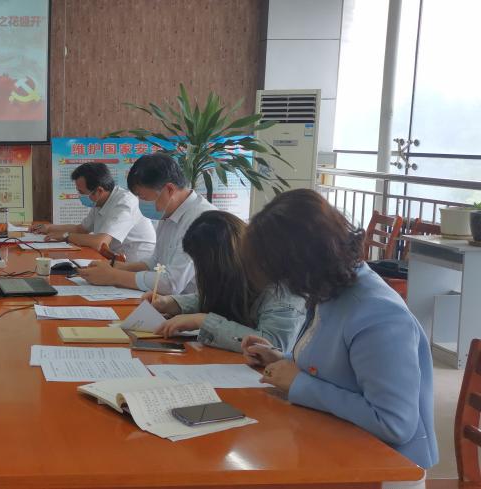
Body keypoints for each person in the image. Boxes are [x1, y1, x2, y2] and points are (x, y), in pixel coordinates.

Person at [241, 189, 437, 484]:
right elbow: (340, 369)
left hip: (383, 470)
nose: (284, 286)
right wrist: (281, 359)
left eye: (283, 275)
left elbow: (393, 423)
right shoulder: (332, 288)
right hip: (335, 448)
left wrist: (299, 383)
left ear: (304, 263)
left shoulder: (377, 314)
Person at [143, 211, 305, 352]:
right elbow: (222, 295)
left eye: (203, 267)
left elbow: (273, 346)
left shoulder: (283, 287)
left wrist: (202, 321)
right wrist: (171, 303)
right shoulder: (241, 271)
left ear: (221, 265)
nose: (199, 274)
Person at [79, 153, 216, 293]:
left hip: (197, 303)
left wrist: (114, 276)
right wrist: (116, 266)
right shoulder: (169, 212)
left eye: (143, 197)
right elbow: (156, 262)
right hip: (168, 300)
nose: (140, 203)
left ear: (169, 190)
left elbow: (171, 283)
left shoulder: (202, 221)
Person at [31, 162, 155, 262]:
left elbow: (100, 242)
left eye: (82, 192)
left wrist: (66, 236)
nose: (80, 196)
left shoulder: (124, 203)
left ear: (99, 191)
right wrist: (49, 228)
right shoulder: (100, 201)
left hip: (136, 265)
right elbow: (81, 229)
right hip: (114, 258)